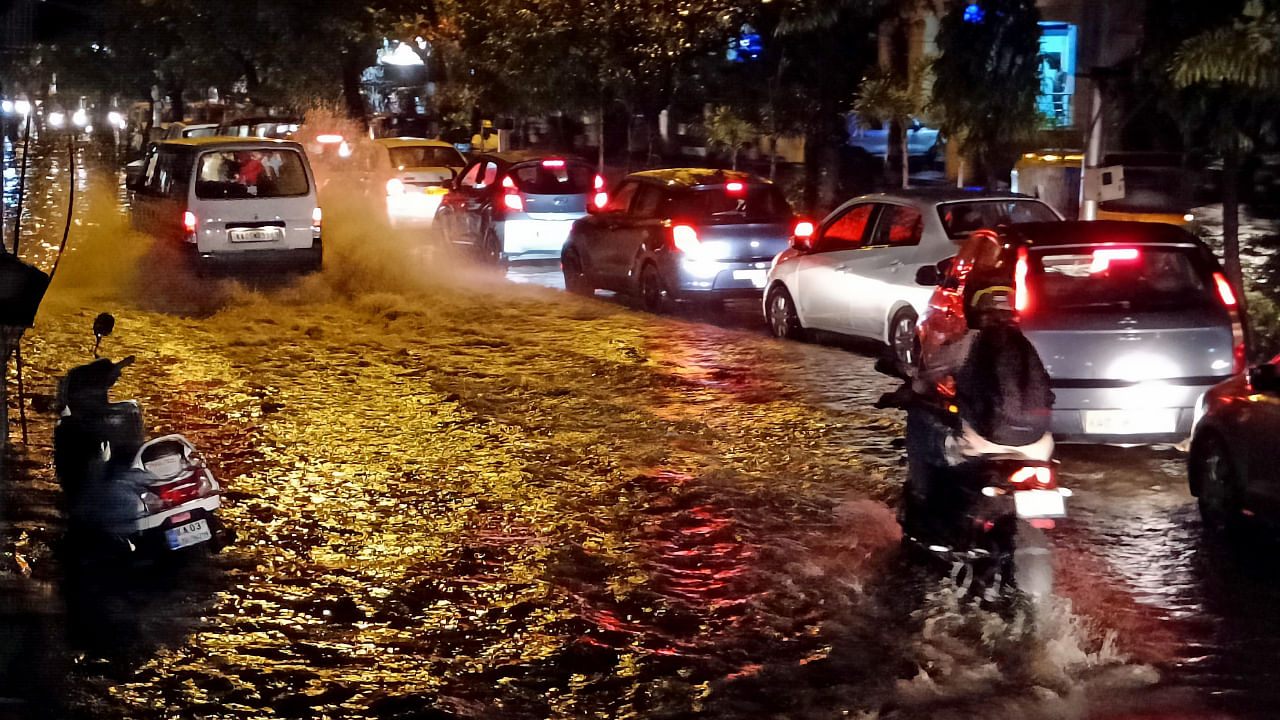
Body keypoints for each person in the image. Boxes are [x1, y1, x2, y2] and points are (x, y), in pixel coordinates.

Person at [886, 267, 1054, 537]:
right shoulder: (1026, 342)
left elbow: (926, 380)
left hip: (984, 442)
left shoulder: (969, 342)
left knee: (922, 423)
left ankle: (926, 509)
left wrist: (912, 392)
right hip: (1039, 446)